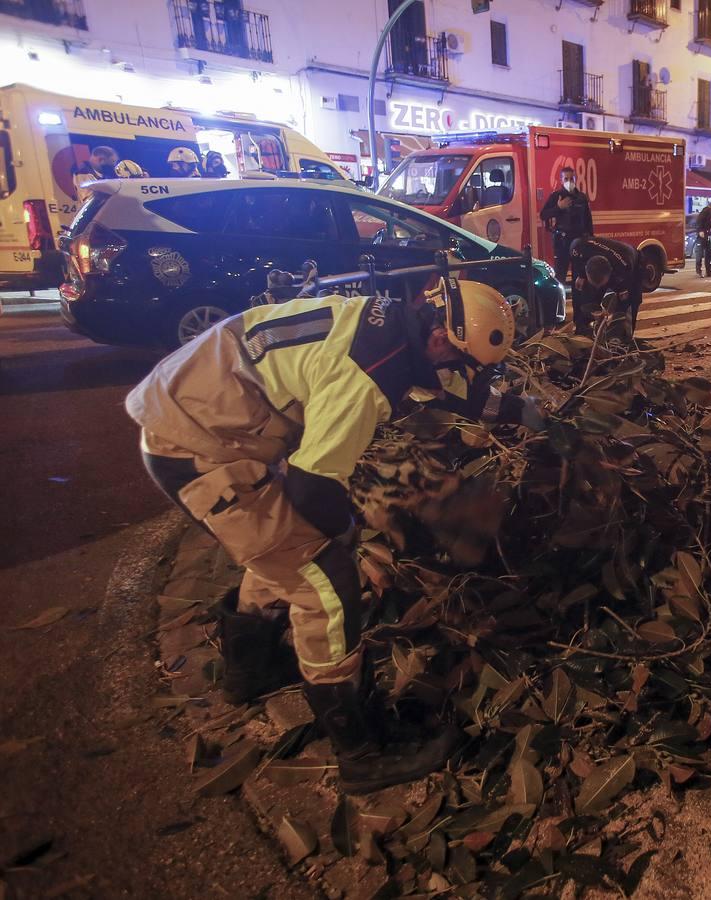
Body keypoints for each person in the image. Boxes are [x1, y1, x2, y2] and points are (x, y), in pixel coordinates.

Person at [127, 280, 517, 795]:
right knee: (324, 578)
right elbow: (313, 486)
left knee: (278, 546)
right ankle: (363, 750)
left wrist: (521, 414)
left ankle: (252, 669)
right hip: (200, 446)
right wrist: (350, 529)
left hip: (195, 409)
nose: (454, 374)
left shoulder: (387, 319)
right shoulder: (366, 375)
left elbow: (454, 394)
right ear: (444, 339)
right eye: (458, 362)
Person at [568, 236, 642, 337]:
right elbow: (579, 291)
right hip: (592, 257)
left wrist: (612, 317)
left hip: (633, 260)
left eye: (601, 285)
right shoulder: (577, 248)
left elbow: (624, 301)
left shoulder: (623, 269)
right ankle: (584, 331)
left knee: (632, 302)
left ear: (610, 274)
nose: (598, 288)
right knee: (587, 297)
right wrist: (581, 275)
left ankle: (623, 339)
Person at [540, 167, 593, 283]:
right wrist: (558, 207)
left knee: (580, 275)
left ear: (575, 179)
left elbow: (588, 220)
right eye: (566, 179)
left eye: (571, 178)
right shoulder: (556, 196)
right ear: (561, 180)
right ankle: (560, 299)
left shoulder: (582, 197)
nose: (569, 181)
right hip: (562, 242)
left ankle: (580, 300)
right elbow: (543, 215)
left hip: (579, 241)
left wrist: (591, 239)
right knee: (560, 275)